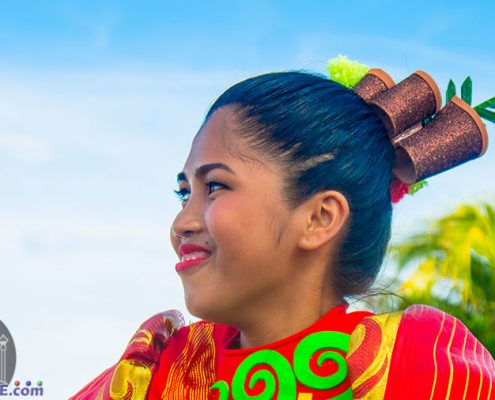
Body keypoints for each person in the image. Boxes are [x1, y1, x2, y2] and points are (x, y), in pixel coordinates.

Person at [71, 57, 495, 400]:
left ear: (319, 218)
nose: (181, 222)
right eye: (184, 193)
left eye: (215, 186)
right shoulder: (158, 371)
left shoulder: (409, 366)